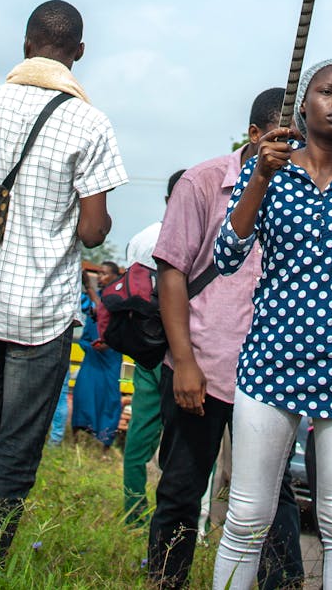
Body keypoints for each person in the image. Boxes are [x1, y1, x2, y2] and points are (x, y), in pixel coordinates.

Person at [0, 0, 127, 563]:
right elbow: (94, 233)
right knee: (17, 446)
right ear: (78, 55)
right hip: (43, 313)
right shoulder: (89, 121)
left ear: (25, 46)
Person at [211, 60, 332, 590]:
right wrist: (260, 176)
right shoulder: (269, 169)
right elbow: (227, 256)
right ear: (304, 104)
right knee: (247, 518)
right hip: (269, 363)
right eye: (328, 91)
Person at [147, 89, 304, 590]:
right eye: (278, 139)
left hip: (271, 376)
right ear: (255, 136)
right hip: (205, 367)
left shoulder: (309, 193)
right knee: (180, 491)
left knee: (273, 497)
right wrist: (184, 361)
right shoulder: (204, 182)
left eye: (296, 141)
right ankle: (165, 581)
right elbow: (172, 273)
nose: (288, 150)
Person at [123, 169, 186, 525]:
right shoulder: (203, 239)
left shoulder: (143, 239)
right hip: (184, 355)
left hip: (148, 349)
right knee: (188, 444)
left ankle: (134, 515)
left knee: (140, 439)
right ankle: (185, 520)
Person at [72, 266, 122, 452]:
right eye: (99, 273)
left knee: (108, 400)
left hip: (110, 358)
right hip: (92, 356)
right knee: (83, 394)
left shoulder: (119, 298)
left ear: (116, 277)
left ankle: (104, 446)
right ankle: (77, 441)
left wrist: (89, 287)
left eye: (105, 273)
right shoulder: (91, 301)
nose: (101, 277)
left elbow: (106, 313)